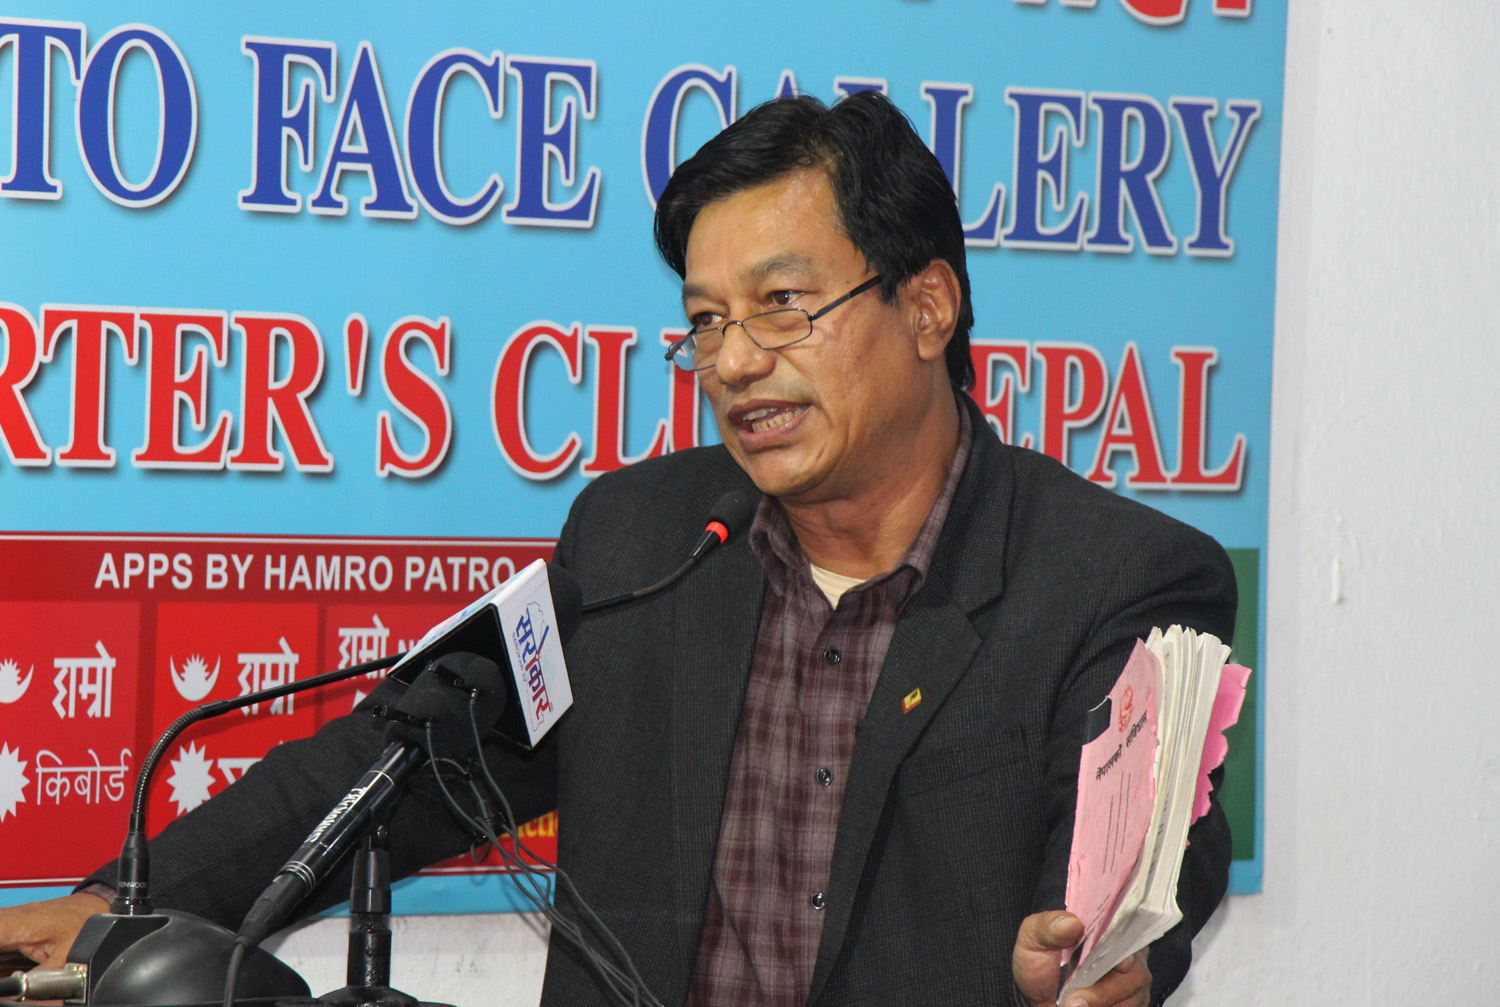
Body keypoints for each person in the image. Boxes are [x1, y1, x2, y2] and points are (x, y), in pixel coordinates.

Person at [0, 92, 1235, 1007]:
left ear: (926, 305)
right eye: (706, 320)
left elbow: (1161, 846)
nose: (735, 360)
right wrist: (125, 904)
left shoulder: (1112, 578)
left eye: (782, 306)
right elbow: (409, 755)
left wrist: (1117, 952)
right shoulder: (645, 537)